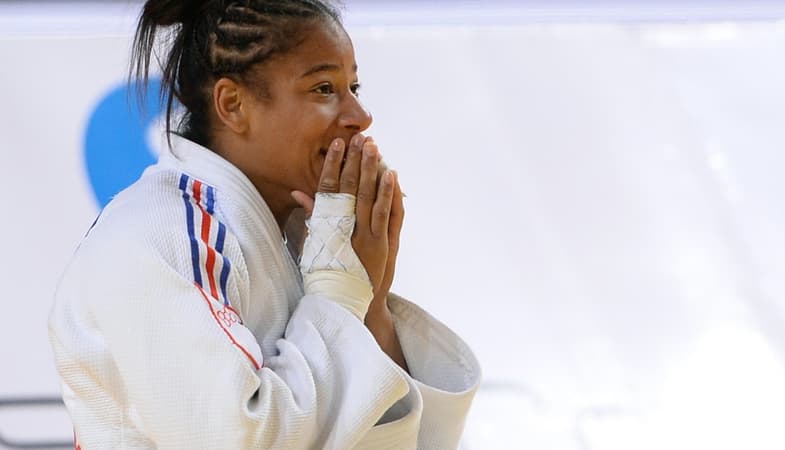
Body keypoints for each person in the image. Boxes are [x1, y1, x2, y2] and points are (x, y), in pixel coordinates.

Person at [48, 1, 481, 448]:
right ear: (233, 105)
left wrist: (369, 307)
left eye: (354, 85)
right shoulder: (158, 234)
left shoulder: (302, 235)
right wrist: (339, 293)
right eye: (323, 88)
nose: (360, 114)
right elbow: (237, 439)